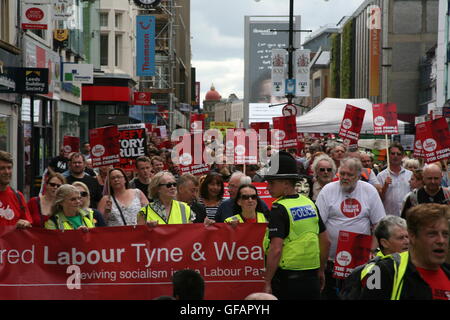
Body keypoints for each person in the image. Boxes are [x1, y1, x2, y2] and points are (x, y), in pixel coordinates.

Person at [315, 157, 386, 300]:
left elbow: (379, 224)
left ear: (359, 176)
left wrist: (372, 250)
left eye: (350, 175)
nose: (345, 178)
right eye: (343, 174)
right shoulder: (328, 190)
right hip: (330, 261)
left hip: (359, 261)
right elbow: (317, 224)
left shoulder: (369, 190)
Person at [263, 151, 331, 300]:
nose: (268, 187)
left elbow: (275, 249)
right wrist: (320, 271)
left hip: (288, 282)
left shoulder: (278, 209)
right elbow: (326, 241)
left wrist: (267, 281)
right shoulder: (309, 203)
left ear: (286, 184)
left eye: (272, 183)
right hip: (311, 278)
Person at [360, 203, 450, 300]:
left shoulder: (447, 273)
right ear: (413, 236)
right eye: (432, 234)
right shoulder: (384, 271)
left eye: (445, 234)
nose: (441, 240)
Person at [377, 142, 413, 216]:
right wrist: (385, 186)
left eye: (398, 154)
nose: (395, 156)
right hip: (388, 216)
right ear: (388, 155)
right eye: (393, 153)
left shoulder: (410, 175)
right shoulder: (381, 176)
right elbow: (378, 199)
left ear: (402, 156)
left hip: (406, 216)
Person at [0, 151, 32, 229]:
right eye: (2, 168)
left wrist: (25, 223)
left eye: (9, 168)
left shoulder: (18, 196)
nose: (7, 172)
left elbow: (28, 223)